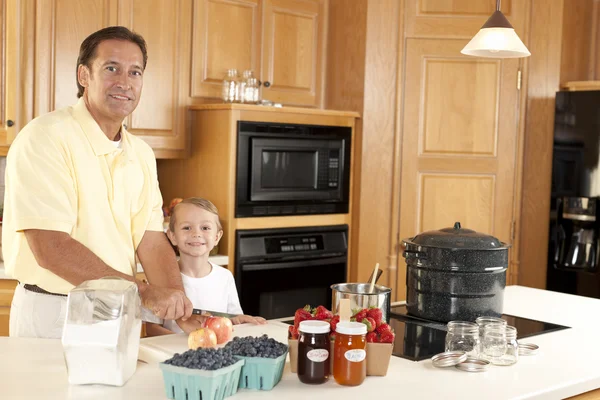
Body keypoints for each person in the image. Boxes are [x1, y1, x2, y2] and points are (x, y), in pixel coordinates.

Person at [2, 26, 203, 338]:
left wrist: (179, 305)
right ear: (84, 75)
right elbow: (51, 247)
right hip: (56, 312)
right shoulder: (46, 137)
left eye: (135, 72)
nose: (124, 82)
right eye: (112, 68)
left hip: (120, 309)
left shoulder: (141, 153)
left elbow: (150, 240)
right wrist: (145, 293)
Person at [146, 198, 266, 336]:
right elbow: (151, 329)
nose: (196, 234)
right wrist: (189, 338)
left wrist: (241, 321)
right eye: (187, 228)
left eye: (205, 228)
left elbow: (231, 319)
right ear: (172, 236)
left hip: (214, 353)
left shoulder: (225, 277)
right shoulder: (158, 279)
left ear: (217, 237)